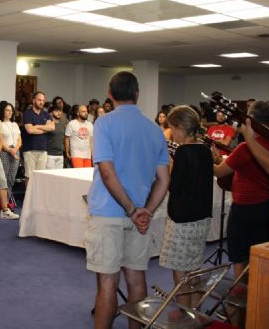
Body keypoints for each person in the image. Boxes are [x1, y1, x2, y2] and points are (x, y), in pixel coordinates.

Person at [85, 71, 169, 329]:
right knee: (136, 278)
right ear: (137, 93)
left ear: (109, 95)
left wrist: (132, 210)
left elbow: (107, 174)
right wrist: (146, 211)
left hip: (108, 213)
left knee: (107, 284)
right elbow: (164, 180)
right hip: (140, 217)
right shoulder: (155, 129)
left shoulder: (104, 123)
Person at [213, 100, 269, 280]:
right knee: (262, 253)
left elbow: (219, 172)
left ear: (250, 120)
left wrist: (208, 158)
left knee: (239, 256)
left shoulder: (245, 147)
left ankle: (241, 297)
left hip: (245, 208)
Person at [159, 106, 213, 308]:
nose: (172, 133)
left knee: (181, 275)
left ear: (181, 127)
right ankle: (196, 313)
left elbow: (174, 186)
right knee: (194, 268)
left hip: (183, 219)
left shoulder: (183, 152)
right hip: (201, 218)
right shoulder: (205, 150)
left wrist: (170, 165)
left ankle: (184, 315)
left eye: (173, 128)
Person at [21, 91, 54, 178]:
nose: (41, 102)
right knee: (30, 176)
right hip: (30, 150)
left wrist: (37, 126)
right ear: (34, 100)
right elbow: (30, 130)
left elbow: (52, 128)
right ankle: (28, 192)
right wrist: (45, 128)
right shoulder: (27, 113)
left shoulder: (46, 114)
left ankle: (37, 192)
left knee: (40, 177)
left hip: (43, 150)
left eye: (43, 100)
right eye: (39, 100)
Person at [0, 101, 21, 192]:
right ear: (2, 111)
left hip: (15, 151)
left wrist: (15, 149)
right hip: (4, 152)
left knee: (11, 178)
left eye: (11, 110)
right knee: (3, 178)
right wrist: (10, 150)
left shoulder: (15, 124)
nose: (10, 112)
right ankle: (0, 202)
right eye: (7, 110)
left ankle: (7, 201)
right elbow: (0, 141)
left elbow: (19, 139)